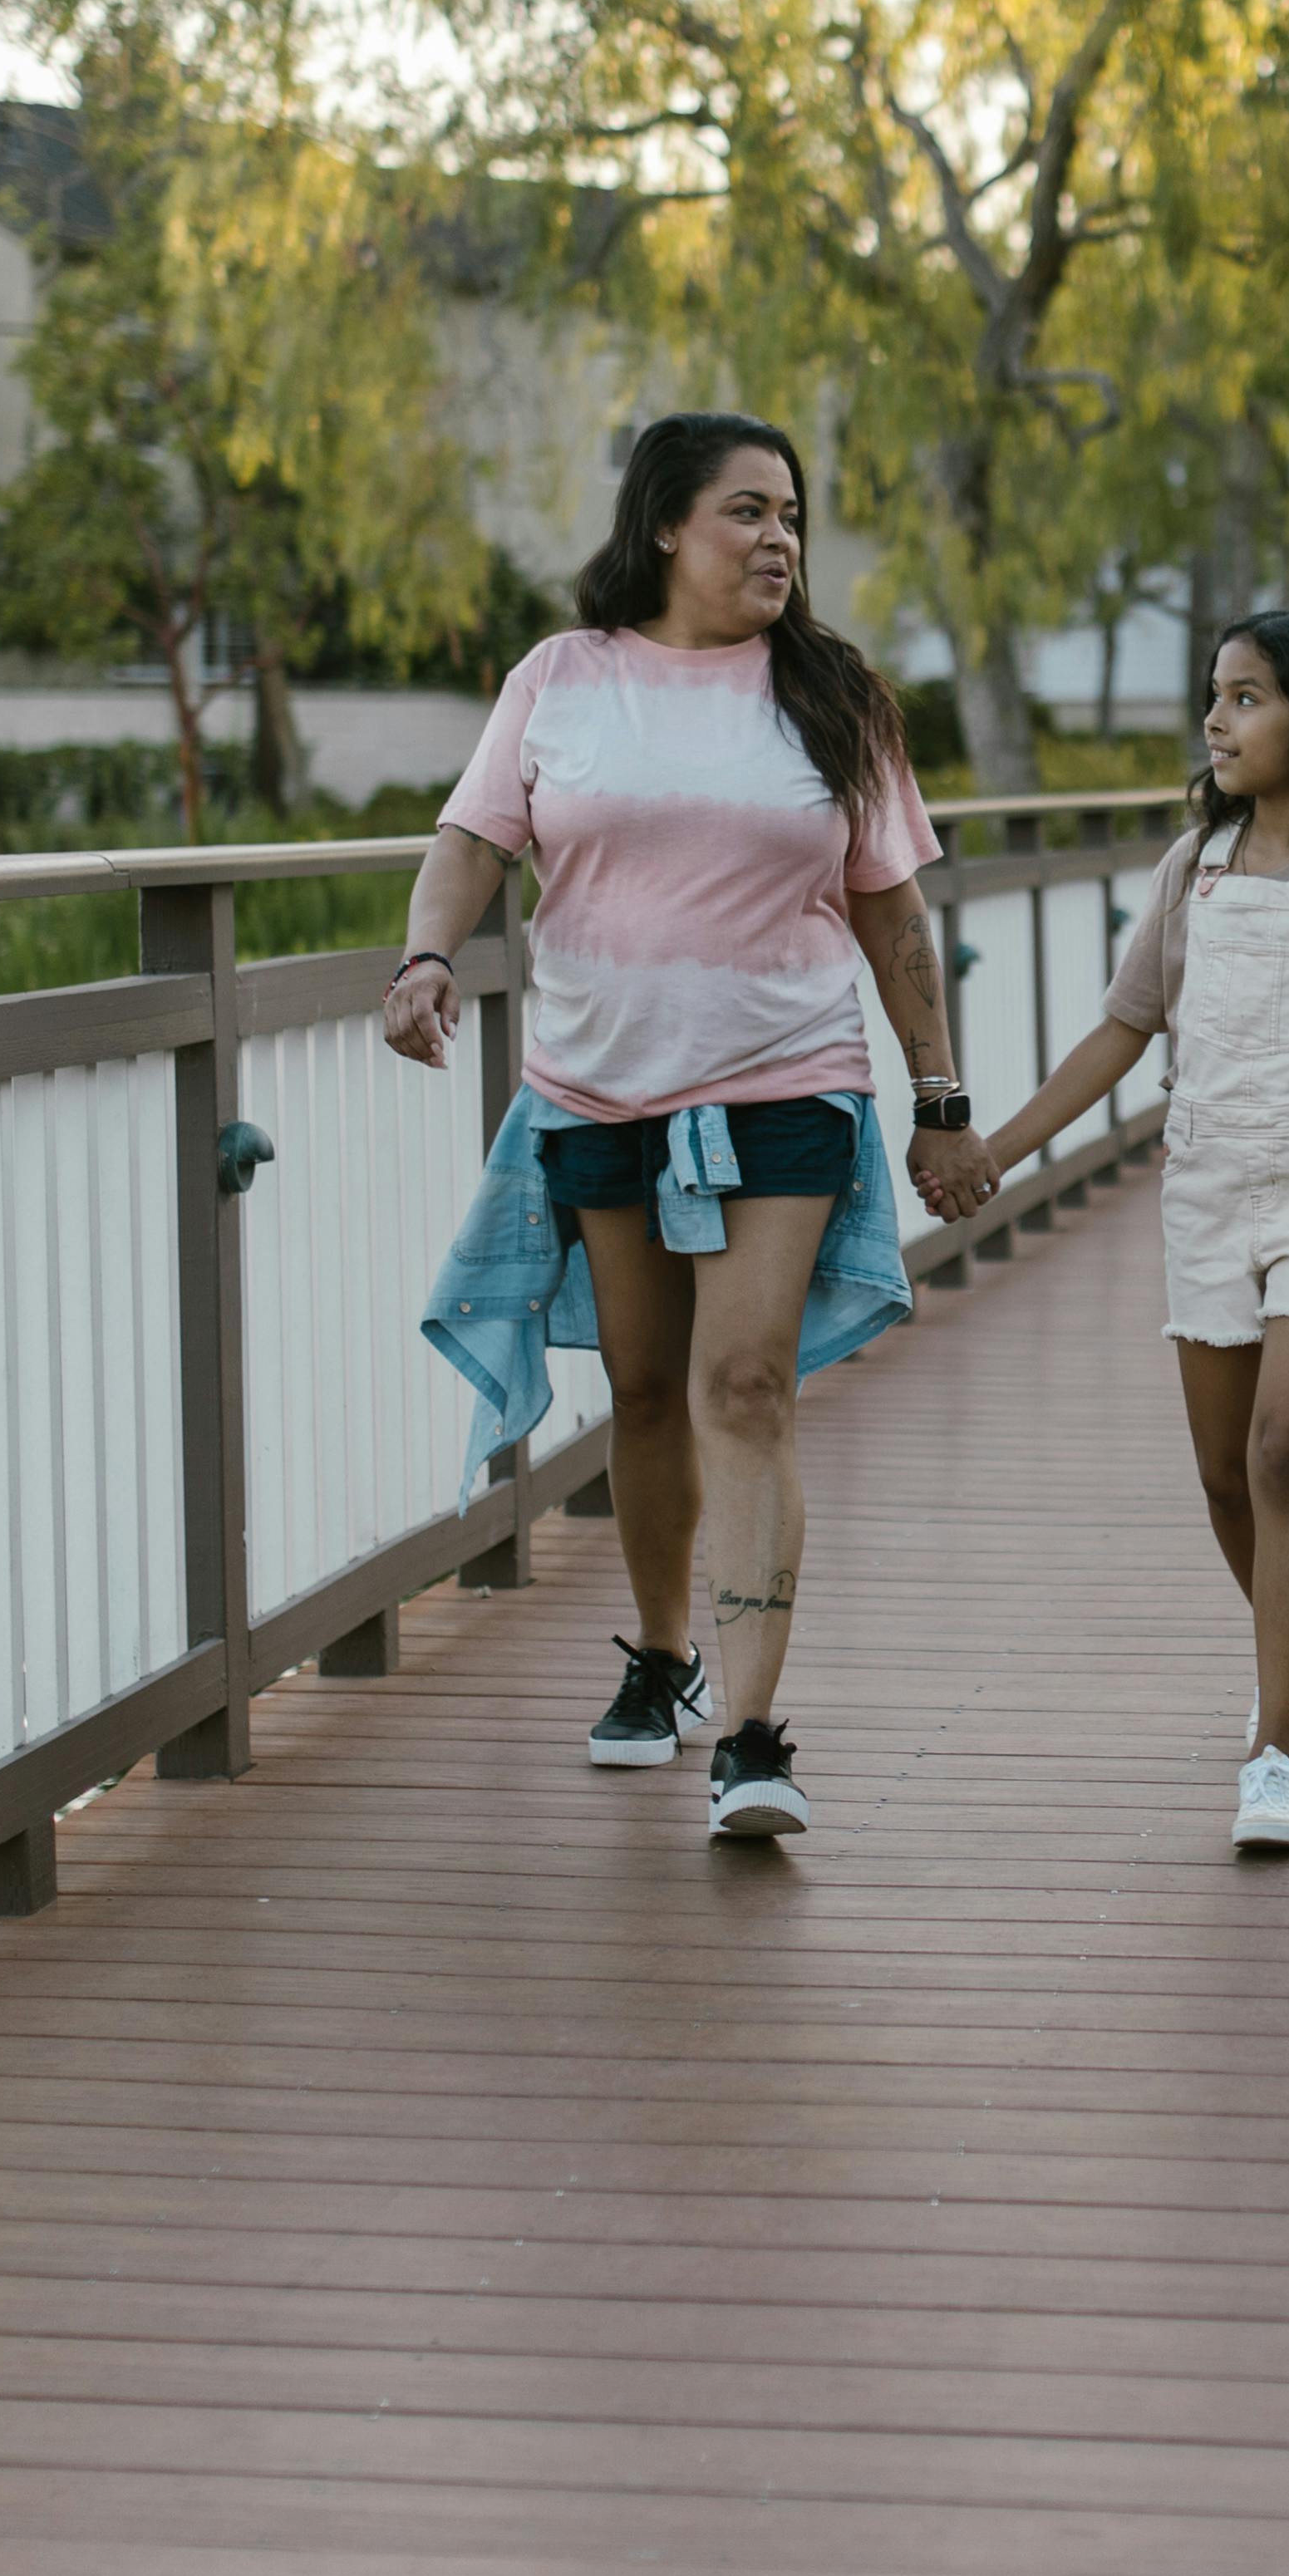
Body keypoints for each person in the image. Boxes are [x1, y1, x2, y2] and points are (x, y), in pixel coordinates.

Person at [391, 413, 996, 1841]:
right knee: (649, 1389)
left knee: (744, 1388)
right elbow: (474, 840)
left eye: (791, 513)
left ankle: (753, 1730)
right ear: (665, 523)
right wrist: (424, 960)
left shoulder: (833, 695)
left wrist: (939, 1097)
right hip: (598, 1085)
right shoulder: (562, 678)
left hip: (788, 1080)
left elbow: (892, 906)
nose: (779, 537)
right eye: (746, 511)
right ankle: (663, 1656)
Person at [966, 612, 1289, 1854]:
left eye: (1247, 697)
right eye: (1215, 695)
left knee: (1279, 1451)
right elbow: (1121, 1028)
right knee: (1221, 1473)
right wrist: (999, 1147)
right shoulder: (1190, 867)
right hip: (1206, 1181)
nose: (1216, 720)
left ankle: (1273, 1750)